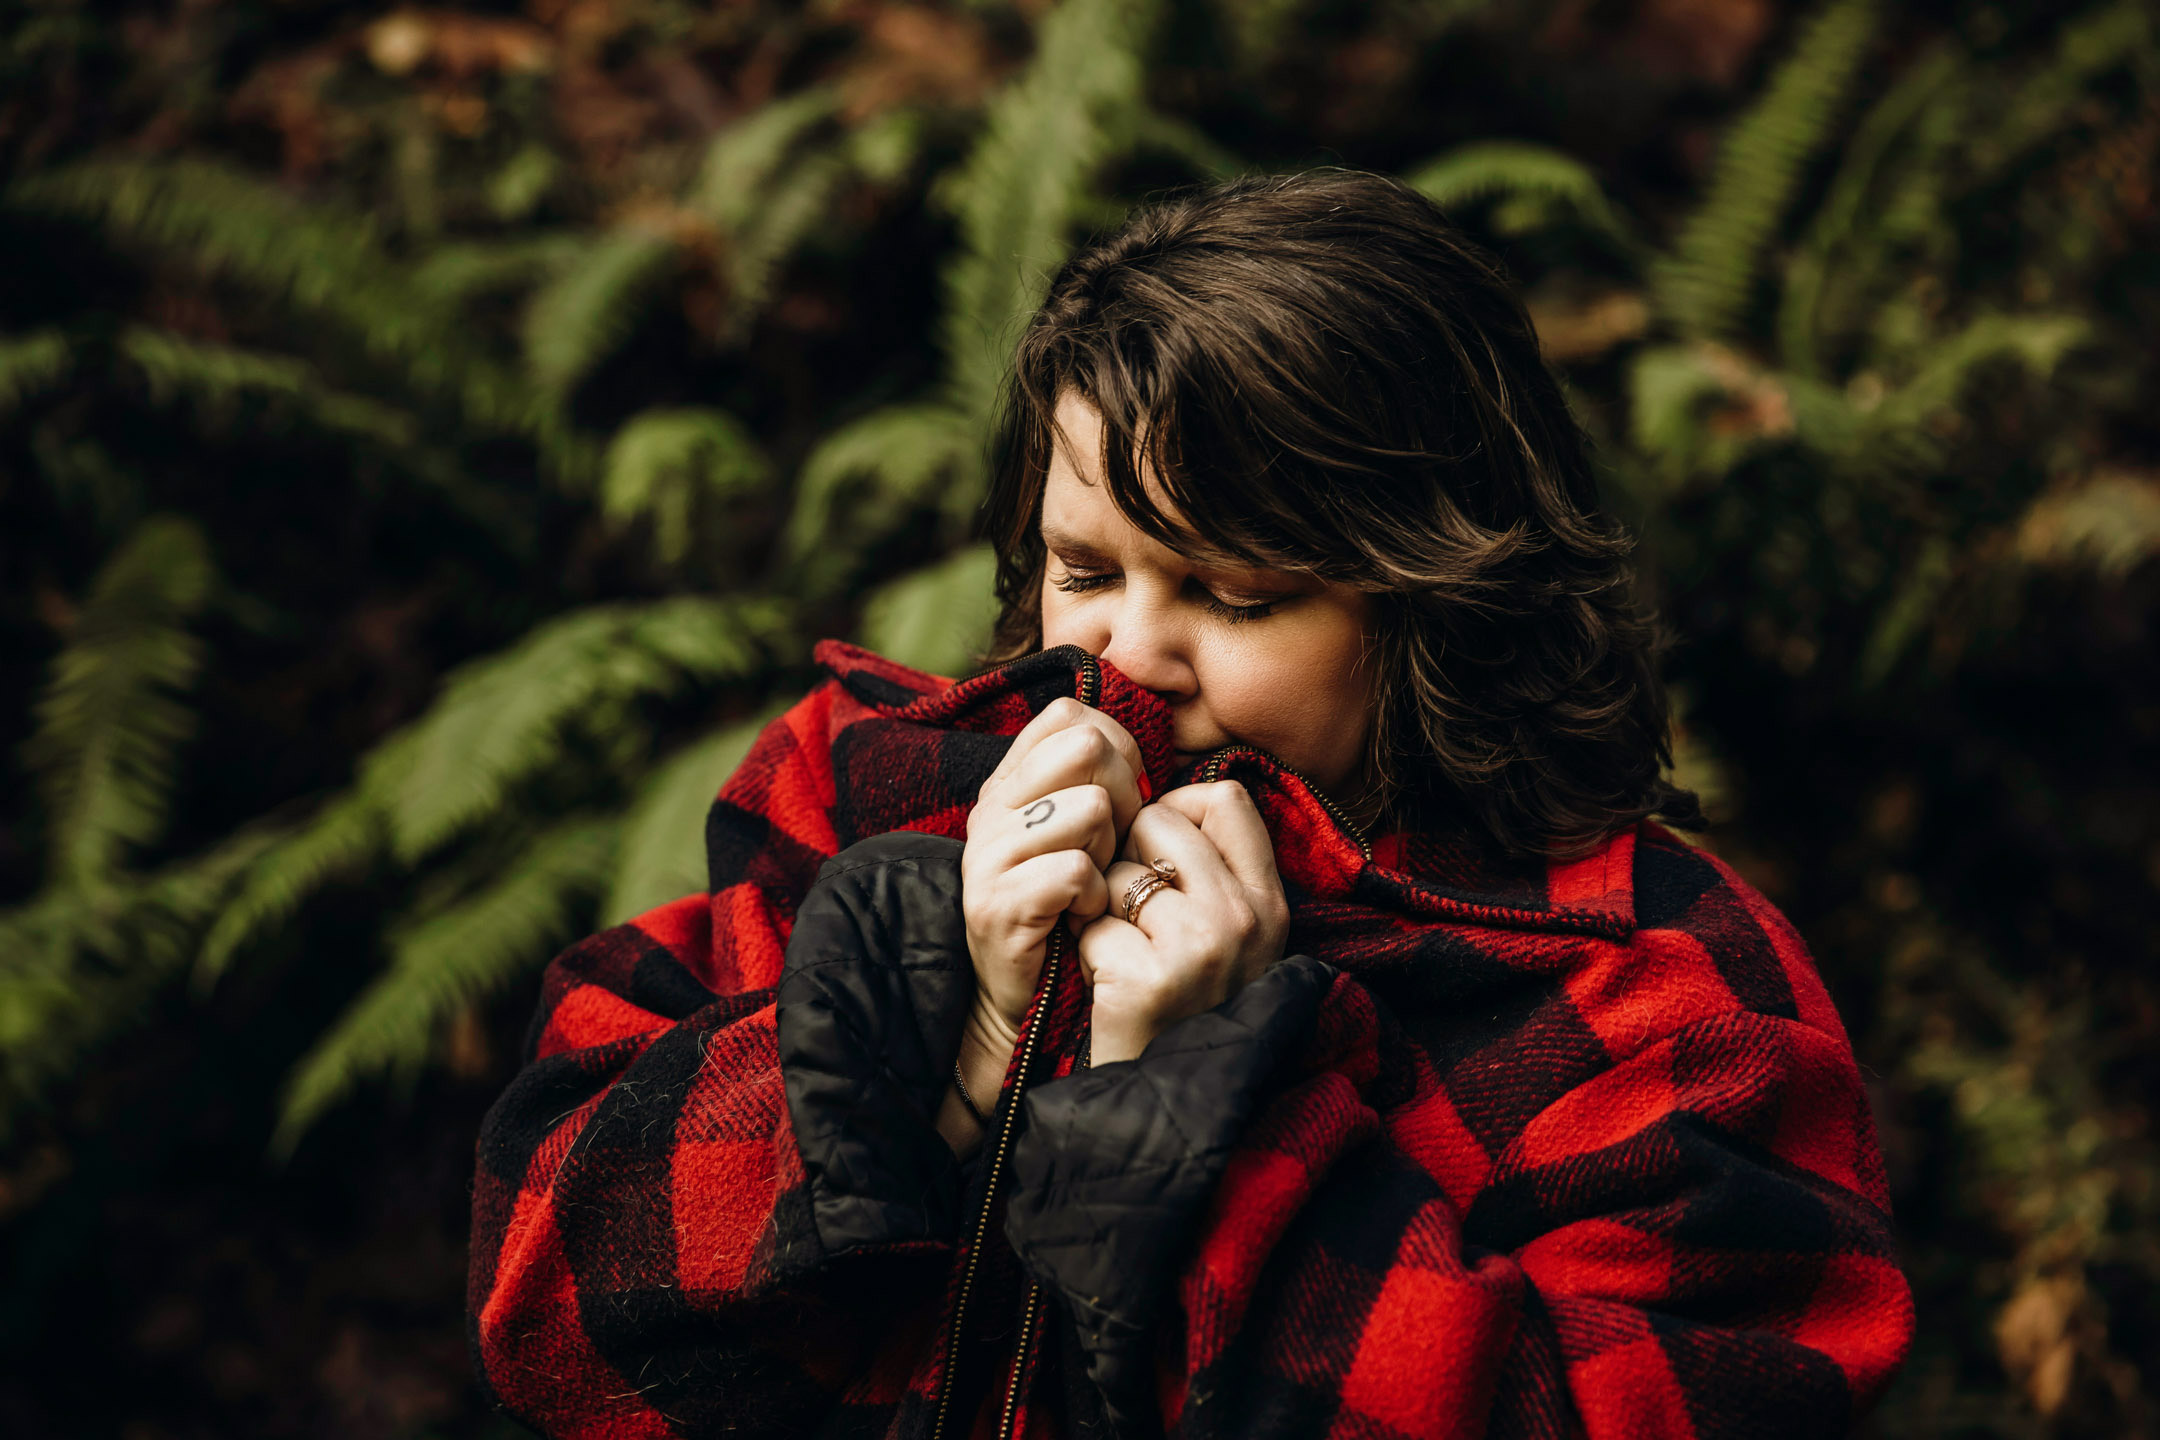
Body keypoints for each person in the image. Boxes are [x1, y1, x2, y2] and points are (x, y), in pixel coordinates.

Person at [467, 170, 1913, 1440]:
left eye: (1235, 595)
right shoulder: (860, 787)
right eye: (1085, 570)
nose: (1126, 656)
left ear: (1441, 600)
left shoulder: (1662, 1000)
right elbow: (553, 1317)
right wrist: (941, 1042)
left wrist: (1220, 1115)